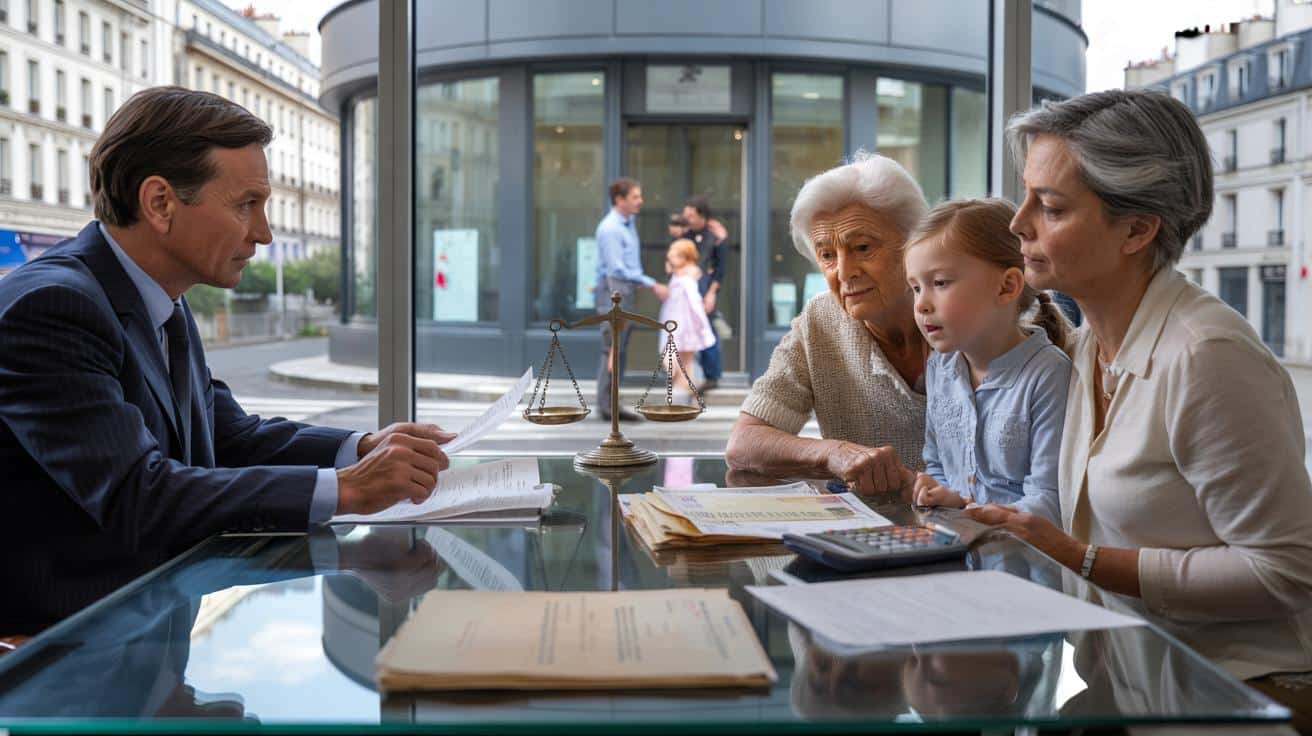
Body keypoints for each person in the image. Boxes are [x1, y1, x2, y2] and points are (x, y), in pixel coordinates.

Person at [0, 87, 453, 635]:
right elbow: (139, 496)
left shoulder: (158, 298)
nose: (262, 232)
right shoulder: (52, 307)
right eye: (246, 205)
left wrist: (359, 448)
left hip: (147, 629)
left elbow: (230, 436)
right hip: (67, 659)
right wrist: (350, 489)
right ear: (160, 203)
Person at [968, 89, 1312, 729]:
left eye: (1050, 206)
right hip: (1126, 687)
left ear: (1137, 228)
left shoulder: (1206, 356)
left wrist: (1084, 559)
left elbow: (1288, 570)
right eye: (1026, 196)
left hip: (1234, 699)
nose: (1018, 223)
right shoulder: (1089, 344)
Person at [725, 152, 929, 497]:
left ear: (914, 243)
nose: (844, 272)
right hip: (863, 535)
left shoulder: (962, 311)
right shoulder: (821, 321)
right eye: (827, 255)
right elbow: (743, 443)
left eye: (863, 247)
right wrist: (833, 453)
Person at [903, 198, 1070, 524]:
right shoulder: (940, 368)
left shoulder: (1049, 375)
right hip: (958, 561)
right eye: (914, 288)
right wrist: (937, 492)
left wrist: (967, 511)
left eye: (939, 283)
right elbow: (937, 464)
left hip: (1025, 570)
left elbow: (1050, 499)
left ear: (1007, 286)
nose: (921, 304)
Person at [594, 176, 666, 422]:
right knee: (611, 350)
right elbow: (616, 269)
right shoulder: (611, 229)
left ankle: (612, 402)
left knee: (619, 350)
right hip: (615, 292)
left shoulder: (628, 222)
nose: (640, 201)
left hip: (625, 291)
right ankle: (606, 406)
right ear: (619, 200)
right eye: (635, 197)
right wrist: (650, 283)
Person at [656, 238, 716, 403]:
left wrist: (702, 324)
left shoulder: (688, 277)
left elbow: (695, 302)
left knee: (676, 358)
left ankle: (683, 393)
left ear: (685, 257)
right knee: (684, 361)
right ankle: (688, 395)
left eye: (674, 256)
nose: (670, 258)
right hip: (674, 321)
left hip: (683, 323)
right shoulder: (678, 274)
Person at [681, 195, 728, 392]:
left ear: (702, 216)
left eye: (691, 215)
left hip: (704, 290)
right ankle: (687, 377)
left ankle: (712, 376)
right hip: (686, 290)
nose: (688, 219)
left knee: (707, 330)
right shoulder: (687, 235)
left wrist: (711, 293)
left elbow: (720, 268)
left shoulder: (716, 236)